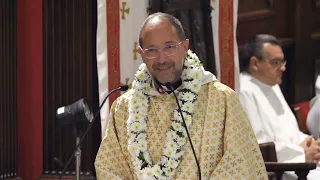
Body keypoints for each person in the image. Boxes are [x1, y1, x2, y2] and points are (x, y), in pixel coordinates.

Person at [94, 12, 268, 180]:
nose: (161, 59)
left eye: (169, 47)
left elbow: (240, 166)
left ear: (185, 47)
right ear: (142, 54)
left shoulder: (222, 100)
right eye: (152, 50)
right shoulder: (124, 108)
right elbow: (110, 168)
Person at [238, 34, 320, 180]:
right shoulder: (244, 91)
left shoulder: (272, 85)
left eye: (283, 62)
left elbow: (290, 131)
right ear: (255, 63)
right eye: (275, 62)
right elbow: (259, 146)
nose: (282, 68)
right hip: (283, 168)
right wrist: (302, 153)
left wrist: (311, 143)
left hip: (302, 160)